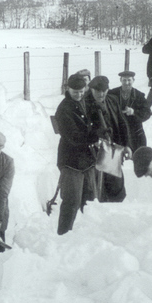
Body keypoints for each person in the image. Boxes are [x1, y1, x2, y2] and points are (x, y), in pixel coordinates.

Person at [54, 74, 100, 235]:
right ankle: (63, 234)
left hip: (87, 159)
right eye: (75, 92)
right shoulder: (64, 109)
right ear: (68, 89)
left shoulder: (85, 102)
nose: (79, 94)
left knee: (89, 197)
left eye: (81, 91)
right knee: (71, 201)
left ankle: (84, 233)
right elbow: (73, 136)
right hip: (71, 160)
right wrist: (94, 136)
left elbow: (93, 120)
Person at [84, 75, 131, 203]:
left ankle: (115, 213)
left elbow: (122, 124)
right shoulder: (84, 104)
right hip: (93, 151)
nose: (101, 94)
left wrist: (126, 145)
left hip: (112, 149)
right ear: (91, 90)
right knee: (95, 189)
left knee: (116, 186)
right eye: (97, 91)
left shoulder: (112, 100)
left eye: (104, 91)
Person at [106, 70, 151, 151]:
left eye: (129, 80)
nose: (126, 83)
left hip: (135, 132)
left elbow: (147, 113)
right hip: (118, 131)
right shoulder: (113, 93)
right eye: (124, 80)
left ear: (133, 80)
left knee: (138, 155)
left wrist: (134, 112)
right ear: (120, 80)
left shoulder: (139, 95)